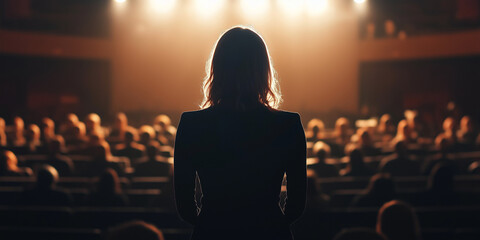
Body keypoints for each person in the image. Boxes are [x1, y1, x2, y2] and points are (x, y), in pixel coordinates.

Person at [174, 27, 306, 240]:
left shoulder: (192, 124)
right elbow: (297, 204)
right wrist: (272, 223)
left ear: (217, 68)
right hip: (269, 232)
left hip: (213, 231)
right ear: (264, 70)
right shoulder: (288, 124)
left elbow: (184, 206)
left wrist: (211, 224)